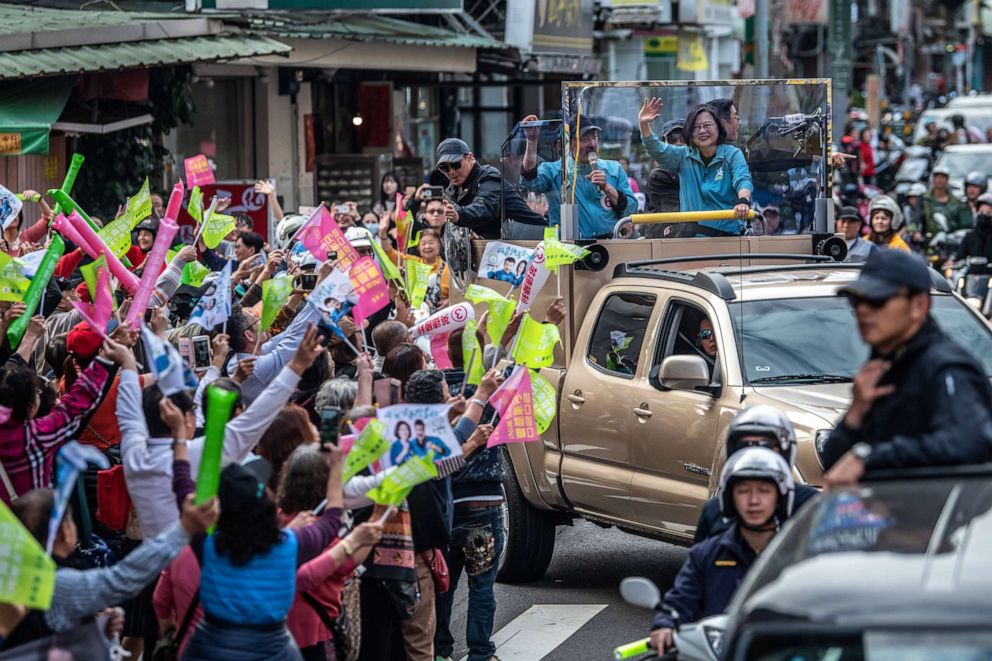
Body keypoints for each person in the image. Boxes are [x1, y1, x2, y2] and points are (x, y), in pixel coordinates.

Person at [821, 249, 992, 487]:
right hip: (889, 520)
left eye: (877, 300)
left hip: (939, 521)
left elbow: (967, 443)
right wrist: (856, 414)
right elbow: (834, 462)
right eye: (856, 300)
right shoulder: (885, 365)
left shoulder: (945, 366)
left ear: (918, 305)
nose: (862, 310)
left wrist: (868, 457)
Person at [1, 488, 217, 650]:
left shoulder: (12, 575)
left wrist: (93, 626)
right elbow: (122, 579)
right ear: (66, 533)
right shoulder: (57, 583)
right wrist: (183, 529)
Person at [649, 447, 794, 654]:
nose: (754, 501)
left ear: (780, 497)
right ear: (730, 499)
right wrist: (665, 624)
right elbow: (681, 600)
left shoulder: (797, 556)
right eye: (744, 491)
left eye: (764, 491)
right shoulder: (706, 553)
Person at [694, 406, 820, 542]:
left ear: (786, 451)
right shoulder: (715, 510)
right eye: (745, 445)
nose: (755, 453)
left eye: (765, 445)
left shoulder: (811, 505)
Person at [638, 98, 753, 236]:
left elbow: (742, 179)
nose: (702, 131)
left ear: (718, 127)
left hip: (728, 237)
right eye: (696, 127)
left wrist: (743, 201)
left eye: (707, 125)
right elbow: (656, 149)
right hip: (691, 239)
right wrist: (644, 124)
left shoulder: (732, 154)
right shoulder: (683, 155)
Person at [520, 115, 637, 238]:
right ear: (567, 144)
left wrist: (607, 188)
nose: (591, 144)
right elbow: (530, 181)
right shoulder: (555, 170)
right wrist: (531, 142)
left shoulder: (614, 169)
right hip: (569, 246)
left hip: (609, 245)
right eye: (584, 138)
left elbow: (630, 208)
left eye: (594, 137)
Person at [410, 138, 544, 239]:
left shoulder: (489, 177)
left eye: (456, 164)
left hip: (532, 240)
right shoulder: (453, 189)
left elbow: (484, 207)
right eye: (444, 168)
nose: (451, 172)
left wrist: (459, 215)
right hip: (499, 247)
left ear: (470, 158)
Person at [923, 165, 970, 234]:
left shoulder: (957, 201)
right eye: (937, 176)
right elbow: (916, 218)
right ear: (933, 179)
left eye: (943, 177)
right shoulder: (924, 199)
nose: (940, 180)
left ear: (947, 179)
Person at [953, 192, 992, 264]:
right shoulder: (970, 237)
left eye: (988, 212)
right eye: (981, 212)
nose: (984, 215)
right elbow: (959, 260)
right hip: (971, 274)